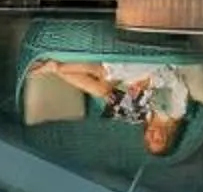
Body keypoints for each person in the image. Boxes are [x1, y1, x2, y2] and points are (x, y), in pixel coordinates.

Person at [32, 57, 193, 158]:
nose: (152, 136)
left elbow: (123, 98)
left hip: (131, 77)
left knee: (101, 89)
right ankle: (56, 68)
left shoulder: (143, 117)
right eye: (158, 139)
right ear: (171, 136)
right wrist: (150, 83)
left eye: (149, 140)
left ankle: (56, 68)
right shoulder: (177, 111)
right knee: (103, 78)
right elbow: (175, 81)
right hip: (154, 67)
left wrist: (113, 98)